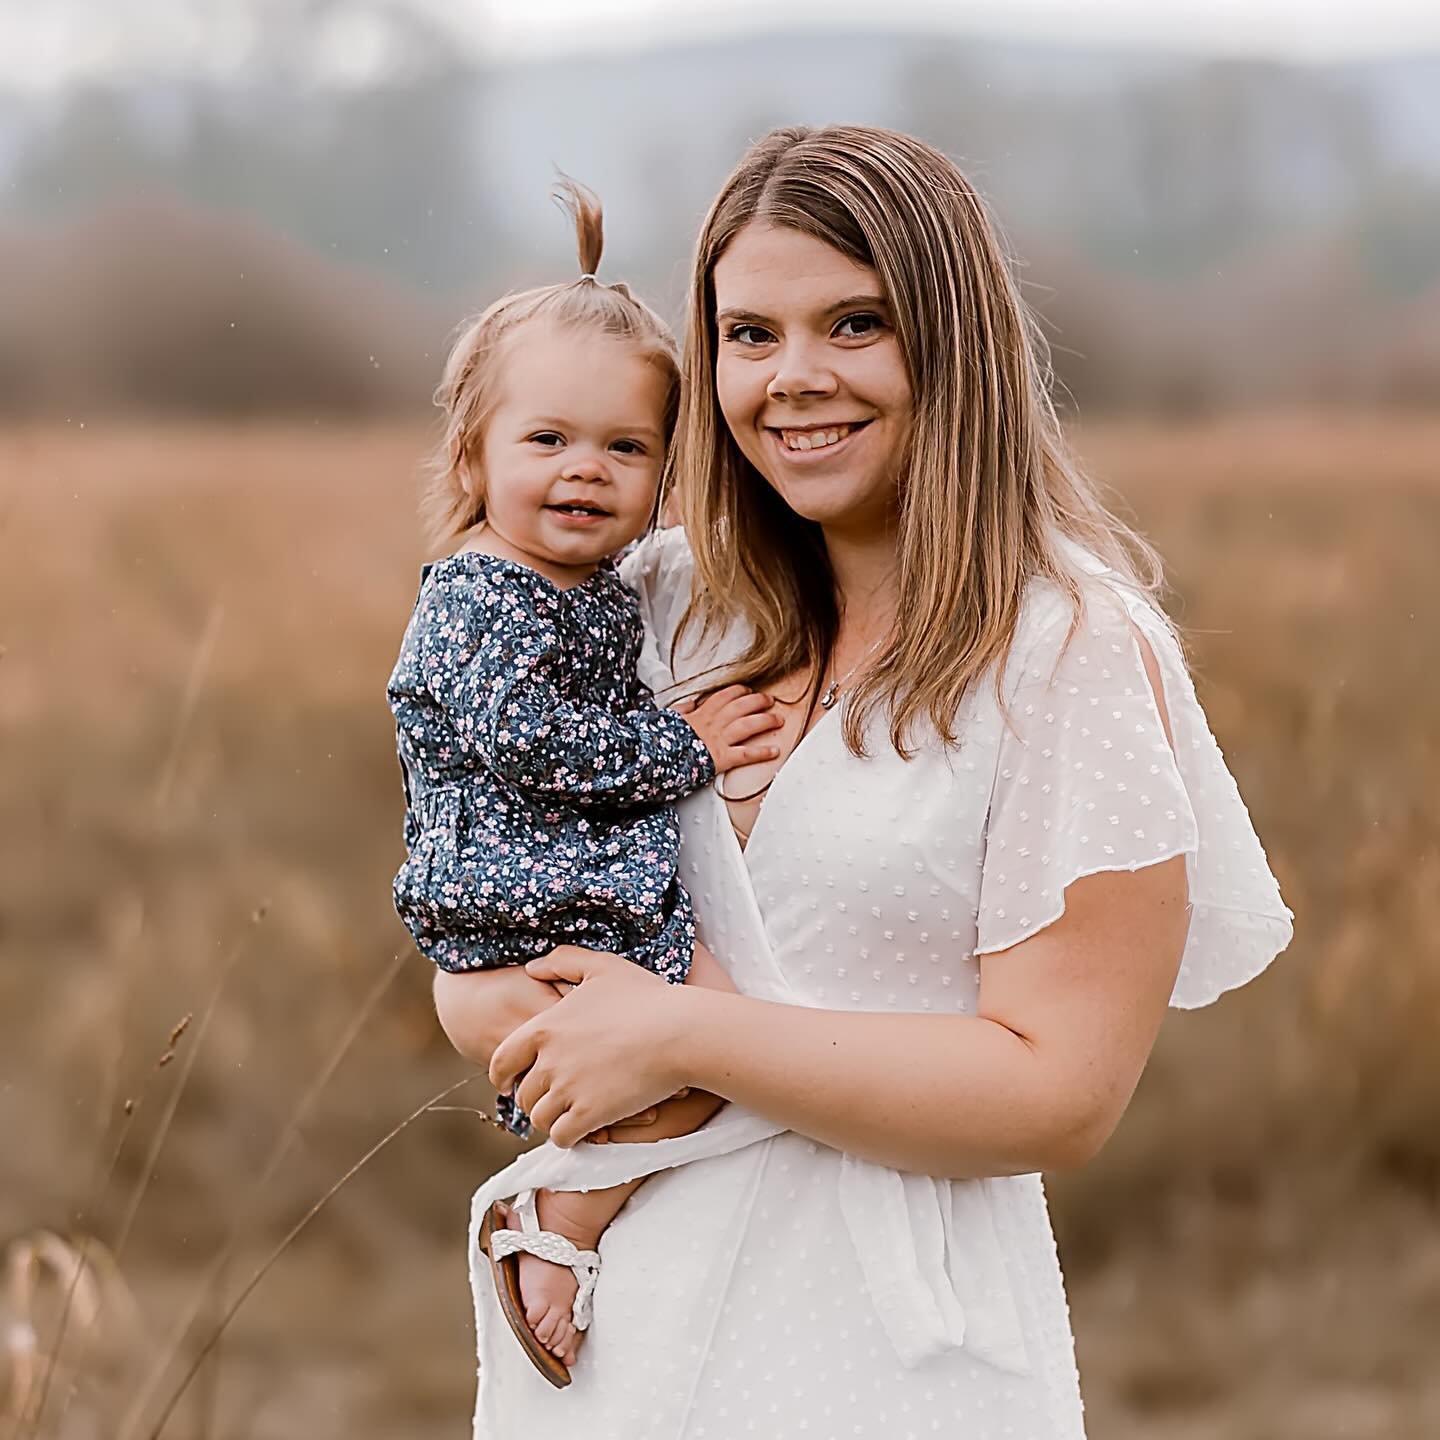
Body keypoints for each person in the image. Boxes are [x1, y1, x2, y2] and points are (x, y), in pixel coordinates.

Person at [433, 125, 1294, 1438]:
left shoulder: (1068, 651)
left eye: (854, 324)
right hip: (616, 1340)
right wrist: (509, 1008)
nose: (795, 379)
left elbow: (1059, 1093)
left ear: (952, 342)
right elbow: (480, 934)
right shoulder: (662, 609)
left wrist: (679, 1036)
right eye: (751, 334)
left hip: (881, 1356)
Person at [388, 180, 782, 1384]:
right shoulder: (475, 597)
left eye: (626, 448)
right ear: (474, 453)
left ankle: (577, 1224)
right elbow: (529, 746)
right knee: (712, 1072)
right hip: (524, 903)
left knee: (734, 1057)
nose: (585, 473)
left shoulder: (601, 591)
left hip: (580, 893)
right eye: (547, 441)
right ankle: (557, 1227)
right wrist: (688, 746)